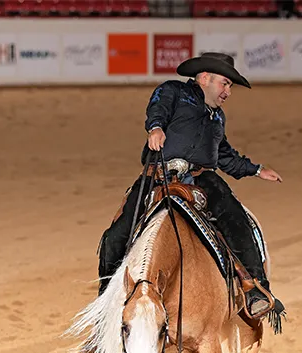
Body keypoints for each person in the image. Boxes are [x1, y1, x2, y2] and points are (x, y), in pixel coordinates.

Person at [95, 52, 285, 319]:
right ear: (205, 78)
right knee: (118, 234)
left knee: (235, 219)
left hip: (202, 178)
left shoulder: (218, 118)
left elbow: (225, 156)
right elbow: (157, 109)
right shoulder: (173, 91)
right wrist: (156, 128)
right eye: (225, 83)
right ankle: (106, 300)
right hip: (158, 175)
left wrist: (256, 169)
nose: (228, 92)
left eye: (230, 86)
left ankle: (255, 288)